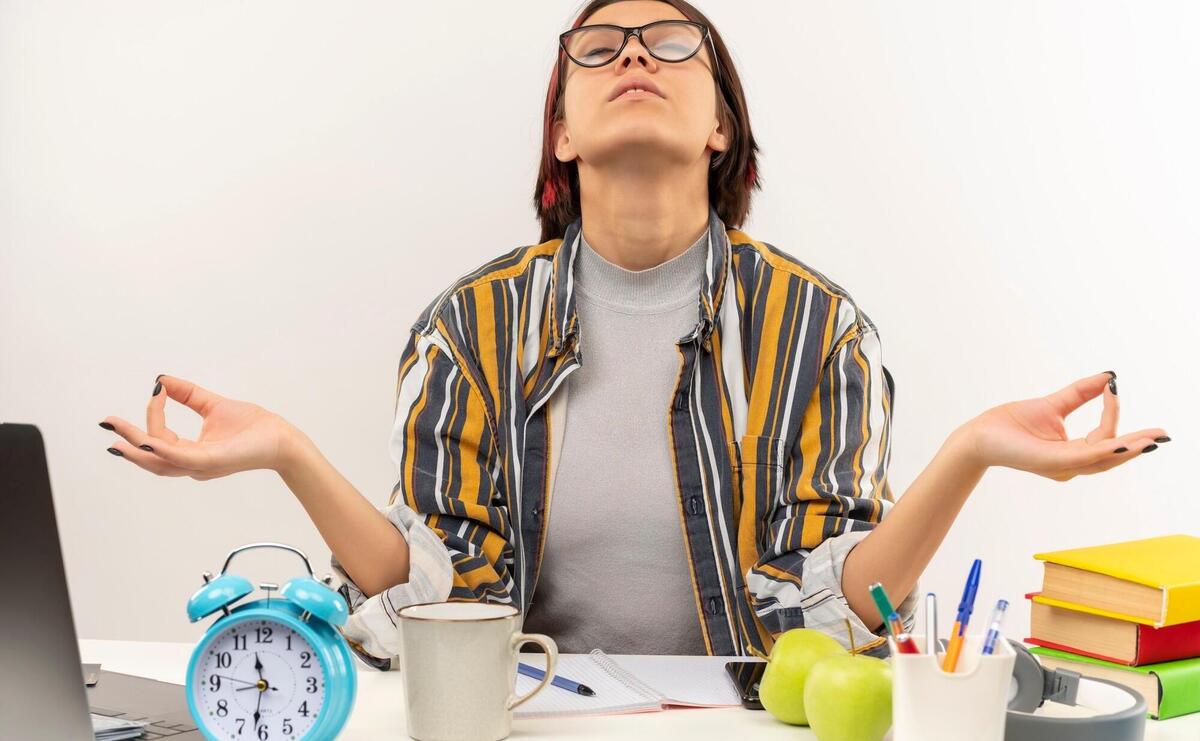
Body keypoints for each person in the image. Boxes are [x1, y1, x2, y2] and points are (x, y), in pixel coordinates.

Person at [100, 0, 1170, 669]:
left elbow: (840, 609)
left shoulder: (819, 327)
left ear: (720, 125)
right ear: (562, 130)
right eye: (598, 47)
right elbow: (429, 597)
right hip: (531, 717)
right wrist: (288, 450)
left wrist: (972, 450)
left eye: (671, 42)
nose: (633, 57)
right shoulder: (469, 326)